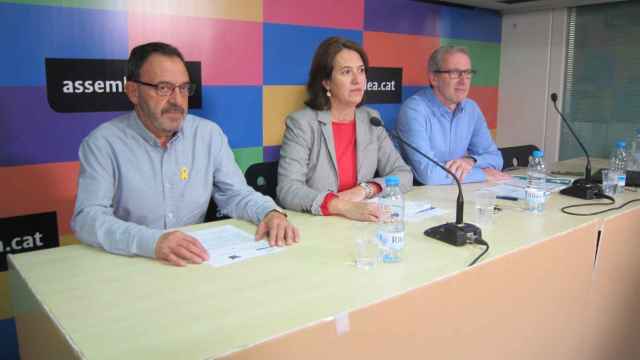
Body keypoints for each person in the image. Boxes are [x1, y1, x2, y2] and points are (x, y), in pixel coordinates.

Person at [71, 42, 298, 267]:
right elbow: (88, 218)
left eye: (183, 88)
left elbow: (236, 195)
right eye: (164, 88)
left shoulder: (208, 134)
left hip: (192, 263)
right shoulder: (102, 143)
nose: (177, 100)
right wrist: (152, 242)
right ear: (133, 92)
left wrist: (270, 213)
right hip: (131, 263)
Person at [277, 37, 412, 222]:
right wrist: (343, 206)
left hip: (360, 225)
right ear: (326, 82)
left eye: (361, 71)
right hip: (317, 225)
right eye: (346, 72)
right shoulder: (302, 124)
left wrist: (365, 189)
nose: (357, 80)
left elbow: (403, 174)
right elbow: (288, 189)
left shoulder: (371, 119)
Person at [396, 45, 509, 185]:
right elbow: (428, 175)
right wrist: (482, 174)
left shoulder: (471, 108)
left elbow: (496, 159)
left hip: (457, 191)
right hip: (420, 196)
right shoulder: (414, 110)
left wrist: (471, 161)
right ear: (434, 78)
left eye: (468, 73)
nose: (463, 81)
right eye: (455, 73)